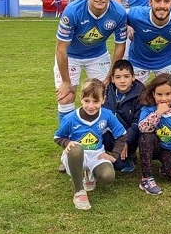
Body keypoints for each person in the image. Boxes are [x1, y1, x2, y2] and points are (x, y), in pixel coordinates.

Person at [54, 0, 127, 123]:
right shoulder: (72, 11)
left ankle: (97, 138)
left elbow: (120, 46)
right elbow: (61, 49)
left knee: (103, 98)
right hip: (71, 57)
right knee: (66, 96)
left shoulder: (119, 13)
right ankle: (68, 140)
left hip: (97, 56)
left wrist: (109, 76)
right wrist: (66, 82)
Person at [54, 78, 127, 210]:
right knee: (76, 149)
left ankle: (89, 174)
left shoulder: (107, 115)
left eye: (96, 101)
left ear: (103, 100)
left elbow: (122, 135)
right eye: (87, 101)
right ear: (81, 98)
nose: (91, 106)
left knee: (108, 176)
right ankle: (79, 191)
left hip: (96, 154)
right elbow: (58, 137)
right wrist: (67, 143)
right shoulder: (70, 118)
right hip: (75, 155)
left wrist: (114, 155)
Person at [136, 73, 171, 194]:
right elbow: (142, 128)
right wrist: (158, 114)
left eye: (168, 94)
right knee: (146, 138)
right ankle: (146, 179)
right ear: (153, 94)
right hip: (154, 146)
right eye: (159, 94)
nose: (164, 98)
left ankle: (165, 167)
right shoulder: (148, 108)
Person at [102, 59, 145, 173]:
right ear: (112, 79)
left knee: (119, 166)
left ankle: (129, 155)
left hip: (129, 137)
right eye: (118, 77)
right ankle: (101, 153)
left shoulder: (141, 95)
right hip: (111, 135)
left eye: (126, 76)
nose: (122, 81)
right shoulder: (105, 93)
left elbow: (137, 123)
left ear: (133, 77)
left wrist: (125, 140)